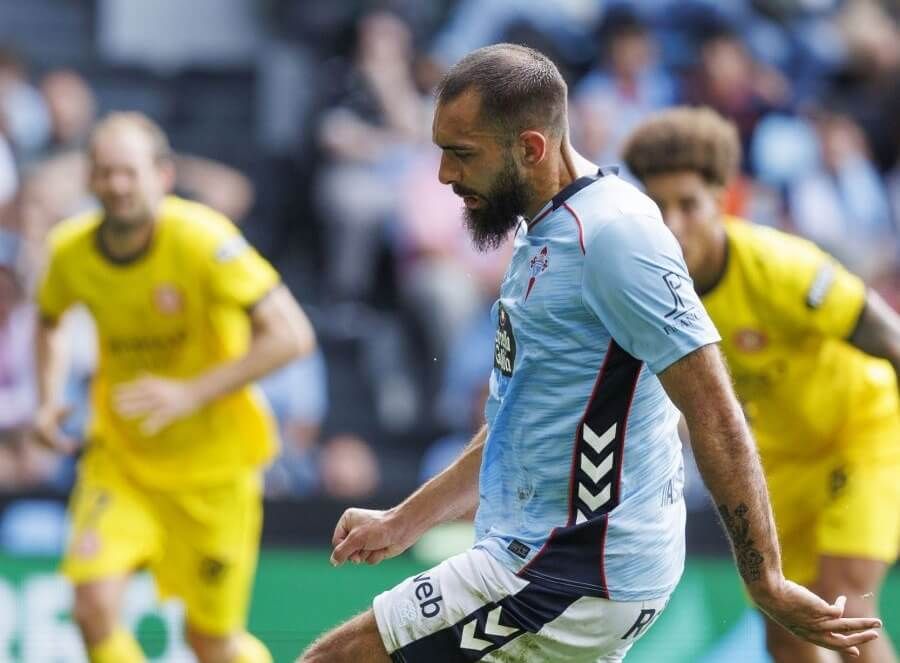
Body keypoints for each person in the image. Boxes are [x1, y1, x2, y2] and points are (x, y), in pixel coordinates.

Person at [297, 45, 881, 663]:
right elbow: (519, 421)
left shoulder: (613, 237)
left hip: (570, 571)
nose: (444, 174)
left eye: (461, 153)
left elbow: (713, 408)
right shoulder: (545, 227)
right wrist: (405, 521)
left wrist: (765, 579)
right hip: (557, 560)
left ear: (531, 148)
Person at [32, 112, 316, 663]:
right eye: (104, 172)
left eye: (128, 172)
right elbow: (49, 321)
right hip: (123, 463)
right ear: (89, 179)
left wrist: (190, 392)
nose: (116, 185)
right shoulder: (70, 252)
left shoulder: (203, 240)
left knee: (209, 641)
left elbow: (291, 336)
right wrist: (48, 398)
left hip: (214, 473)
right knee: (92, 608)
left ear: (162, 175)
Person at [623, 106, 900, 663]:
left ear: (723, 199)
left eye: (689, 204)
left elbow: (886, 335)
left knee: (840, 604)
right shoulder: (645, 294)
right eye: (659, 208)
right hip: (773, 466)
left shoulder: (780, 265)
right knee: (785, 631)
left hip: (860, 434)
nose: (673, 223)